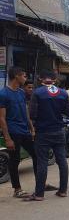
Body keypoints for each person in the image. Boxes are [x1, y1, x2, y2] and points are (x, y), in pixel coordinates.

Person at [26, 70, 69, 201]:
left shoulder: (37, 93)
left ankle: (39, 194)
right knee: (62, 161)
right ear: (55, 79)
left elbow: (32, 114)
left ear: (40, 79)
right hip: (59, 131)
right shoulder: (63, 93)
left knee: (42, 162)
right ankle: (63, 190)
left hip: (43, 132)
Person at [0, 67, 38, 198]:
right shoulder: (3, 94)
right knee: (15, 160)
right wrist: (7, 138)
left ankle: (40, 183)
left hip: (25, 130)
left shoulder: (21, 92)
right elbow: (1, 118)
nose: (25, 78)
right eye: (24, 76)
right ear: (17, 76)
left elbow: (25, 110)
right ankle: (17, 189)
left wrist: (31, 128)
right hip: (13, 132)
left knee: (37, 155)